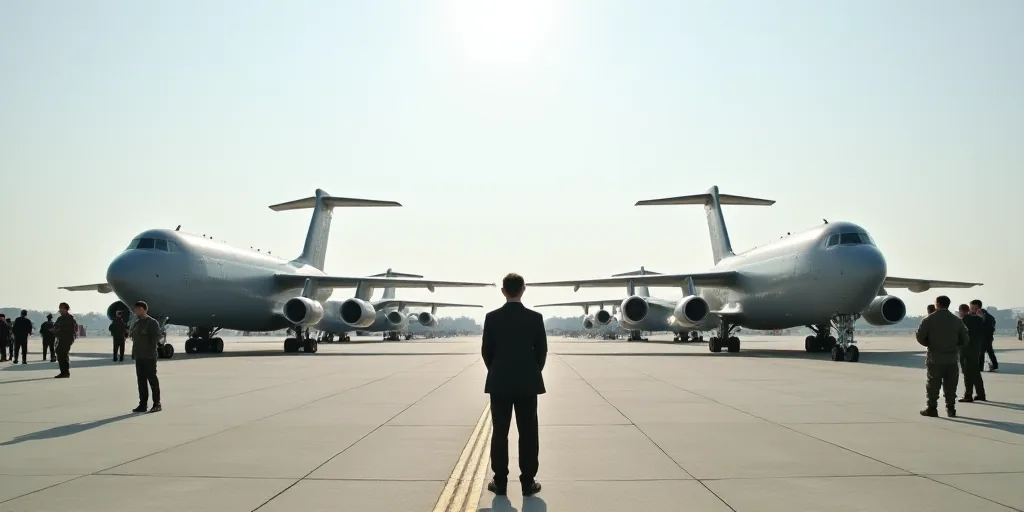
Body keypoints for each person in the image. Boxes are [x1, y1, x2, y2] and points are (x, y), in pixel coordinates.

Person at [482, 273, 547, 497]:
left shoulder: (491, 318)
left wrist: (498, 370)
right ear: (523, 289)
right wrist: (531, 371)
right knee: (528, 433)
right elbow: (542, 352)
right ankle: (528, 483)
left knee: (500, 432)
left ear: (503, 291)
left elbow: (486, 352)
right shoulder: (535, 318)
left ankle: (500, 482)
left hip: (499, 382)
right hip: (527, 383)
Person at [915, 295, 969, 418]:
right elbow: (965, 339)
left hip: (935, 357)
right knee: (951, 385)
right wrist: (954, 346)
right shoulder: (956, 321)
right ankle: (951, 409)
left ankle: (932, 408)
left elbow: (920, 337)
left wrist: (930, 344)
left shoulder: (928, 320)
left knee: (933, 384)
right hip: (951, 358)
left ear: (937, 304)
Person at [130, 301, 162, 413]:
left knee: (152, 380)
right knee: (141, 381)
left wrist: (149, 350)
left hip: (149, 356)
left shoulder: (152, 323)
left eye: (137, 309)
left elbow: (156, 337)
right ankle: (142, 404)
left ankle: (157, 403)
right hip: (139, 356)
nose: (135, 311)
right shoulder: (137, 323)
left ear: (143, 309)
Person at [958, 304, 987, 402]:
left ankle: (968, 395)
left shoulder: (963, 321)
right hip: (976, 349)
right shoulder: (979, 320)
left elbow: (961, 336)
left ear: (962, 311)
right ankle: (980, 394)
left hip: (966, 350)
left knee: (967, 373)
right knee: (975, 372)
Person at [53, 302, 78, 378]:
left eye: (61, 308)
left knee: (63, 353)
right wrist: (54, 330)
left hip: (67, 338)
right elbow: (56, 326)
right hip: (60, 338)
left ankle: (66, 372)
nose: (60, 310)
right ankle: (63, 372)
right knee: (59, 353)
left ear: (65, 309)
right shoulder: (60, 318)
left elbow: (72, 330)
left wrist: (60, 330)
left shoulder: (70, 318)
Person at [974, 301, 998, 371]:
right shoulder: (989, 316)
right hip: (988, 337)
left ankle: (980, 367)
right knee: (989, 351)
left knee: (982, 352)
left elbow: (984, 326)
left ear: (977, 306)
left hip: (984, 337)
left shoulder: (982, 315)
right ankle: (994, 365)